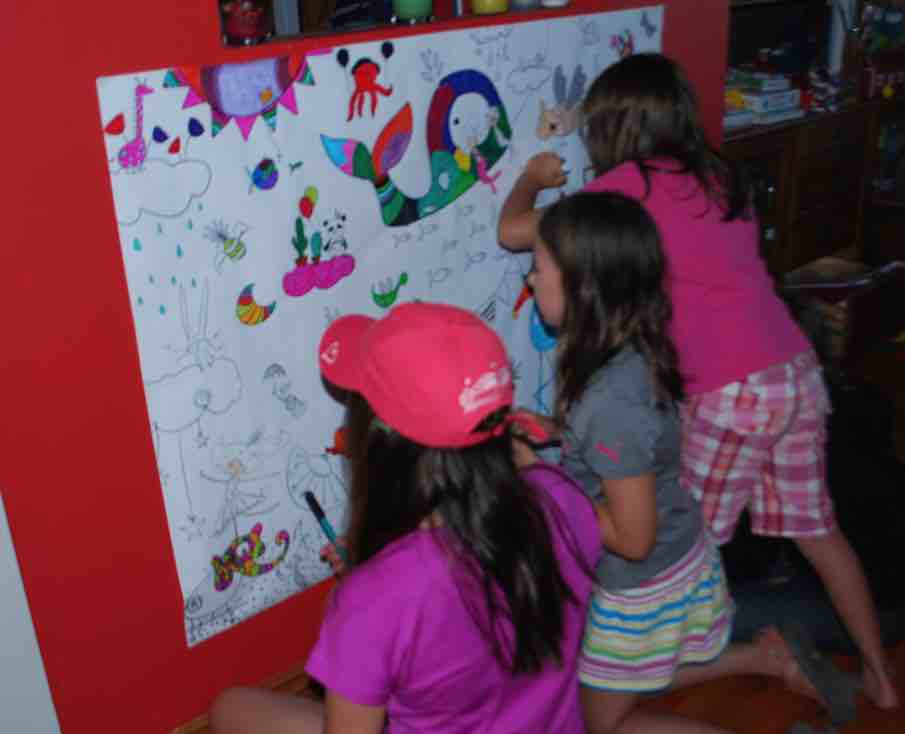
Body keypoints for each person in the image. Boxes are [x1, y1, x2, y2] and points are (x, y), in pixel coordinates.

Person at [498, 52, 898, 712]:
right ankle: (881, 676)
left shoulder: (627, 189)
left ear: (613, 128)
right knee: (818, 531)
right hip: (794, 370)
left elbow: (515, 232)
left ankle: (656, 666)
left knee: (678, 558)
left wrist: (530, 178)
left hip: (731, 391)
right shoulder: (720, 178)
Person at [513, 190, 862, 734]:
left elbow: (633, 539)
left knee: (604, 722)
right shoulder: (625, 352)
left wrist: (538, 475)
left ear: (583, 287)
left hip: (641, 580)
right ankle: (764, 657)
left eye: (538, 268)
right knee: (621, 676)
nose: (531, 280)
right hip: (673, 551)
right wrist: (560, 434)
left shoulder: (610, 402)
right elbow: (634, 446)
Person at [208, 301, 602, 734]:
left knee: (230, 709)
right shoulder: (563, 499)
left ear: (382, 450)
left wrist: (368, 590)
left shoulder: (376, 599)